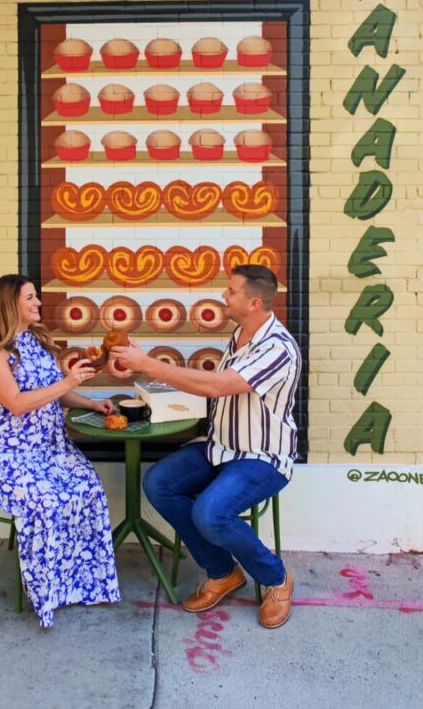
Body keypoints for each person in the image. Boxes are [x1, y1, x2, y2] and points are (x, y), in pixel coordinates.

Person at [112, 264, 301, 629]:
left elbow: (217, 386)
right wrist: (142, 366)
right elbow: (207, 384)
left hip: (262, 457)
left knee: (211, 514)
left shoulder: (277, 348)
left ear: (253, 303)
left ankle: (276, 578)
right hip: (221, 447)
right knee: (159, 483)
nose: (223, 296)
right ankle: (222, 571)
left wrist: (148, 364)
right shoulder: (241, 334)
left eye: (231, 291)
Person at [0, 274, 120, 627]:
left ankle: (81, 584)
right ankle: (45, 591)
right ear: (10, 304)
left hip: (49, 449)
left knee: (89, 488)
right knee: (47, 500)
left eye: (37, 296)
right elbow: (17, 404)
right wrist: (67, 381)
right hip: (3, 454)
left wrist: (91, 403)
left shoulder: (34, 341)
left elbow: (56, 392)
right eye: (30, 297)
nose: (38, 303)